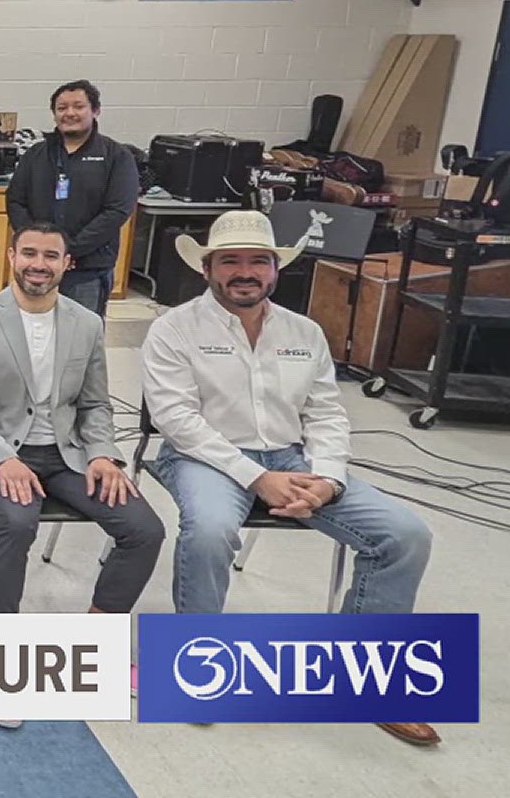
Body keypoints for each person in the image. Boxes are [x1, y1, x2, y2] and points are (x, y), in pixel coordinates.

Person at [143, 210, 438, 748]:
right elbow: (177, 420)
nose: (244, 271)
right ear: (208, 268)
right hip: (203, 456)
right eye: (230, 260)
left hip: (293, 458)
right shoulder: (174, 328)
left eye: (258, 260)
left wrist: (327, 479)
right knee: (209, 533)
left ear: (275, 271)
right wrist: (257, 478)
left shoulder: (305, 333)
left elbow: (326, 413)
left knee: (405, 535)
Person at [0, 223, 164, 648]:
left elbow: (95, 404)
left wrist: (103, 454)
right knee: (16, 521)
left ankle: (93, 635)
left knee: (144, 528)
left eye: (50, 256)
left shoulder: (85, 323)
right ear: (11, 257)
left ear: (67, 263)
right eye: (29, 253)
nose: (38, 265)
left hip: (67, 455)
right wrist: (2, 459)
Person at [6, 80, 138, 316]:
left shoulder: (117, 156)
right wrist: (39, 247)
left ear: (95, 110)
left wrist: (69, 251)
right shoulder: (36, 155)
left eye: (78, 106)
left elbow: (117, 210)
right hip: (37, 268)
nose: (70, 113)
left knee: (80, 338)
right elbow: (15, 201)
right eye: (62, 108)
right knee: (32, 332)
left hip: (86, 269)